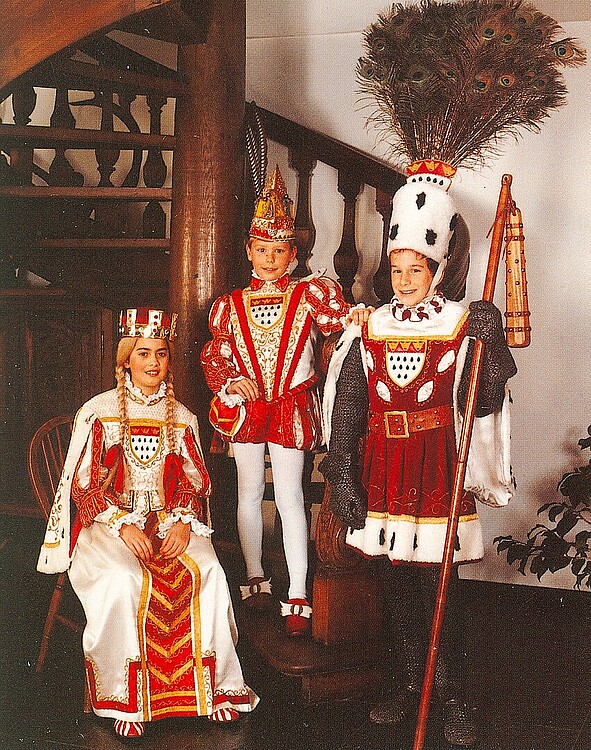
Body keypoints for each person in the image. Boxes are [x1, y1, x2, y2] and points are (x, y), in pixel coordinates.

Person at [320, 162, 517, 747]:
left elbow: (483, 399)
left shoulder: (460, 324)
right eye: (397, 269)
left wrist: (492, 344)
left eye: (417, 270)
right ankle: (406, 683)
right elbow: (350, 403)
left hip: (435, 468)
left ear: (437, 269)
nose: (405, 280)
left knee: (439, 591)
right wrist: (342, 473)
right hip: (385, 467)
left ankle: (449, 693)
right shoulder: (371, 327)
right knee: (396, 586)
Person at [37, 307, 258, 738]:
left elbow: (194, 482)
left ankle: (216, 690)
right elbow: (83, 486)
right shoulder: (99, 412)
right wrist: (122, 524)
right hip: (109, 521)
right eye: (143, 353)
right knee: (124, 578)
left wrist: (183, 521)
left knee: (208, 570)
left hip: (169, 519)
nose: (153, 362)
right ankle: (124, 696)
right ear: (126, 358)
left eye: (161, 352)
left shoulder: (183, 417)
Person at [200, 165, 370, 637]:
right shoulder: (230, 304)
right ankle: (255, 577)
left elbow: (341, 324)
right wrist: (231, 381)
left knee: (292, 497)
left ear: (293, 254)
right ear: (248, 251)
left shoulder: (311, 293)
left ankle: (297, 592)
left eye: (279, 250)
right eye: (262, 250)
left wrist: (357, 317)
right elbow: (216, 353)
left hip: (292, 406)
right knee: (249, 491)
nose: (270, 258)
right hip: (249, 409)